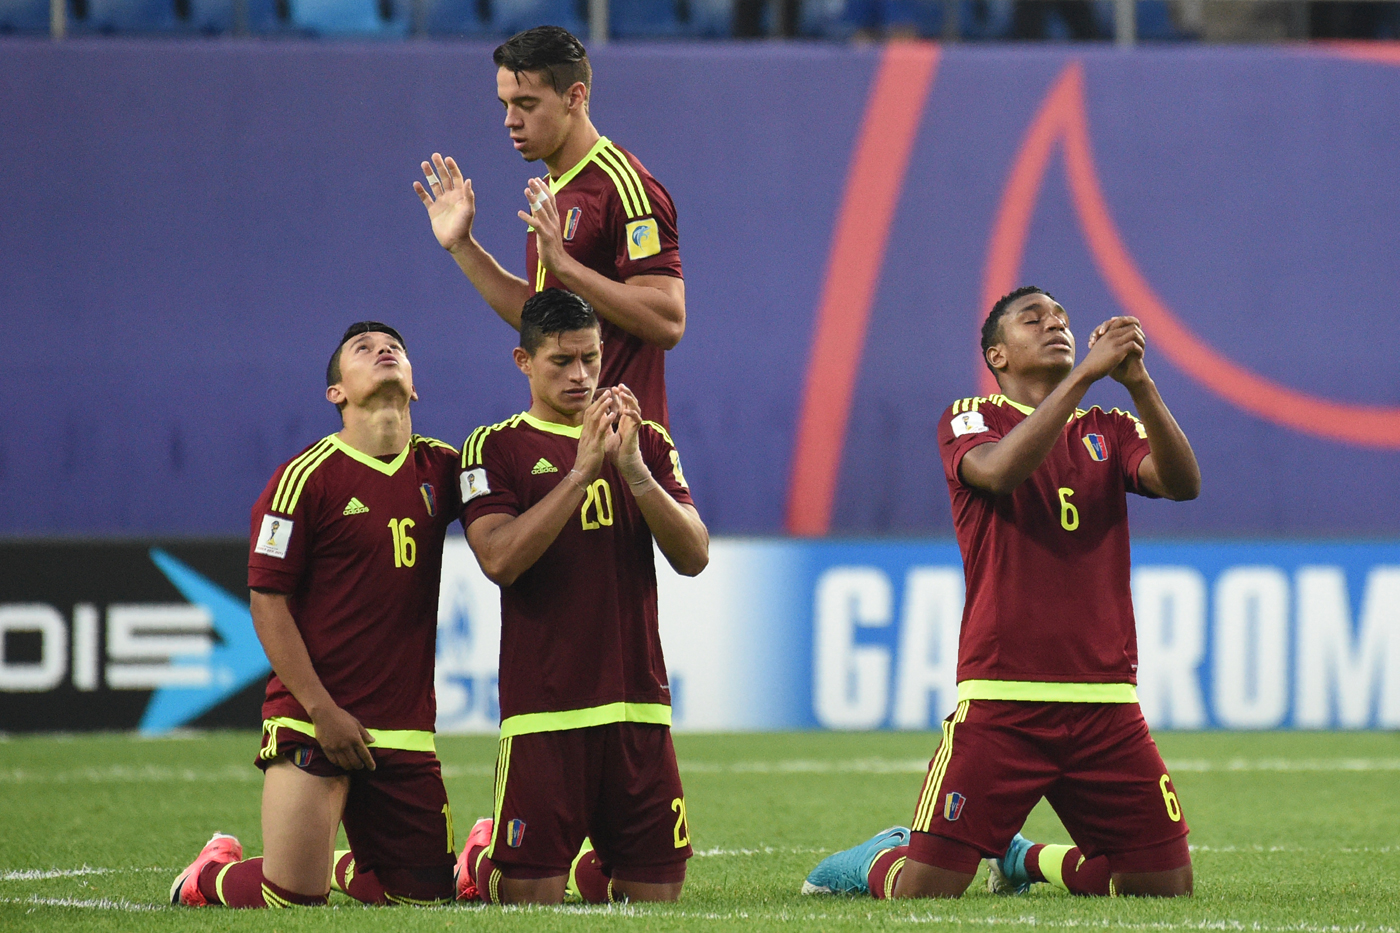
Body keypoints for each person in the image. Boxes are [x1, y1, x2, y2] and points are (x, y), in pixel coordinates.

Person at [803, 286, 1201, 900]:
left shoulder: (1112, 428)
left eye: (1062, 317)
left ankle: (1026, 860)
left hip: (1105, 703)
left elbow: (1183, 484)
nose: (1056, 324)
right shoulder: (971, 418)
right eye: (1033, 318)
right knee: (924, 896)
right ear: (997, 356)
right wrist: (1086, 378)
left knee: (1162, 890)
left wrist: (1139, 385)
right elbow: (997, 472)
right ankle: (873, 859)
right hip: (1001, 701)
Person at [170, 323, 462, 909]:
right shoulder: (304, 479)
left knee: (428, 900)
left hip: (403, 728)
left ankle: (349, 863)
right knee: (292, 896)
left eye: (396, 349)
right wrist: (322, 709)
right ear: (336, 393)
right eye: (364, 349)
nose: (384, 351)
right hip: (314, 719)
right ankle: (207, 875)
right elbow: (266, 600)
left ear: (414, 385)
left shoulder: (444, 469)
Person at [453, 288, 708, 905]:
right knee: (529, 904)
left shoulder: (642, 440)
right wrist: (579, 473)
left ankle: (593, 865)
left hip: (638, 708)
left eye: (591, 359)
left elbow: (694, 556)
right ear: (524, 363)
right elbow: (499, 561)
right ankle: (483, 863)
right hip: (546, 711)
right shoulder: (494, 447)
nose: (581, 375)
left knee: (656, 902)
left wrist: (634, 473)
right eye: (561, 362)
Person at [414, 25, 685, 427]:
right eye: (505, 104)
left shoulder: (625, 186)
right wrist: (462, 246)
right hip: (566, 446)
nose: (510, 120)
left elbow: (668, 320)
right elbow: (540, 321)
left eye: (526, 103)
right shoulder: (554, 189)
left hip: (625, 451)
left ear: (574, 97)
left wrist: (567, 267)